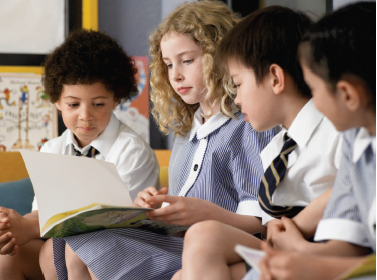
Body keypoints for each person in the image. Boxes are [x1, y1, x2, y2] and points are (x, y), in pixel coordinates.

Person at [47, 1, 278, 279]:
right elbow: (178, 210)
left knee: (93, 249)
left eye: (187, 60)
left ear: (220, 56)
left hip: (216, 245)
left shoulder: (249, 126)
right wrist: (156, 206)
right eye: (168, 65)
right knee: (80, 244)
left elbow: (259, 223)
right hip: (178, 242)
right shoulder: (186, 133)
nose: (176, 74)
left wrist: (203, 213)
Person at [173, 5, 344, 280]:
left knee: (204, 236)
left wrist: (297, 227)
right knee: (192, 257)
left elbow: (357, 183)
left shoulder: (336, 129)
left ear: (275, 79)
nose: (237, 99)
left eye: (239, 85)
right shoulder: (275, 149)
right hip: (282, 248)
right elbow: (271, 228)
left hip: (326, 249)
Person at [0, 29, 160, 280]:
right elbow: (41, 213)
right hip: (59, 249)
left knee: (67, 250)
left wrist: (31, 226)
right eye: (73, 104)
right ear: (56, 101)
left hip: (117, 251)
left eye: (98, 104)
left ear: (116, 98)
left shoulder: (132, 150)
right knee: (6, 253)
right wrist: (12, 226)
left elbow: (114, 222)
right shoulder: (51, 150)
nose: (86, 115)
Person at [255, 2, 376, 279]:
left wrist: (317, 265)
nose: (312, 105)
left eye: (313, 89)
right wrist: (298, 253)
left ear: (347, 94)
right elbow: (347, 245)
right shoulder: (354, 141)